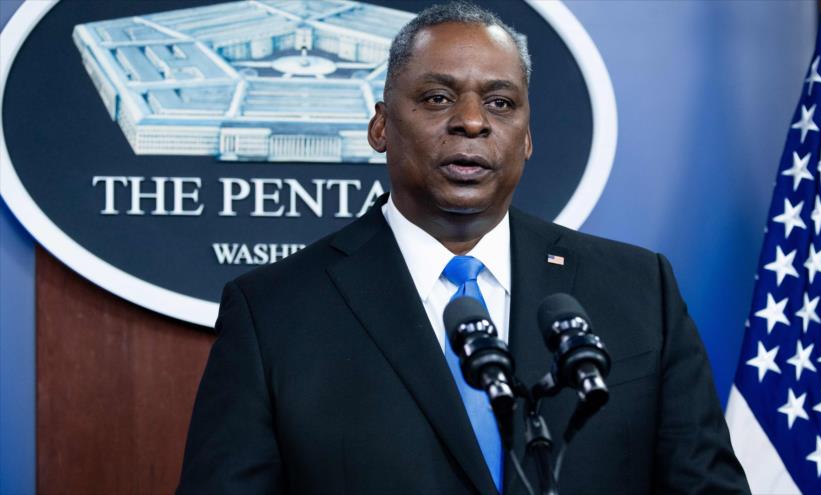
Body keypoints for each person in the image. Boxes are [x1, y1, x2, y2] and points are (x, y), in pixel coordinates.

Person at [177, 2, 750, 494]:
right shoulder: (274, 313)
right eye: (436, 97)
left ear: (526, 136)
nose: (472, 122)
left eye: (500, 103)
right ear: (380, 126)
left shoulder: (636, 289)